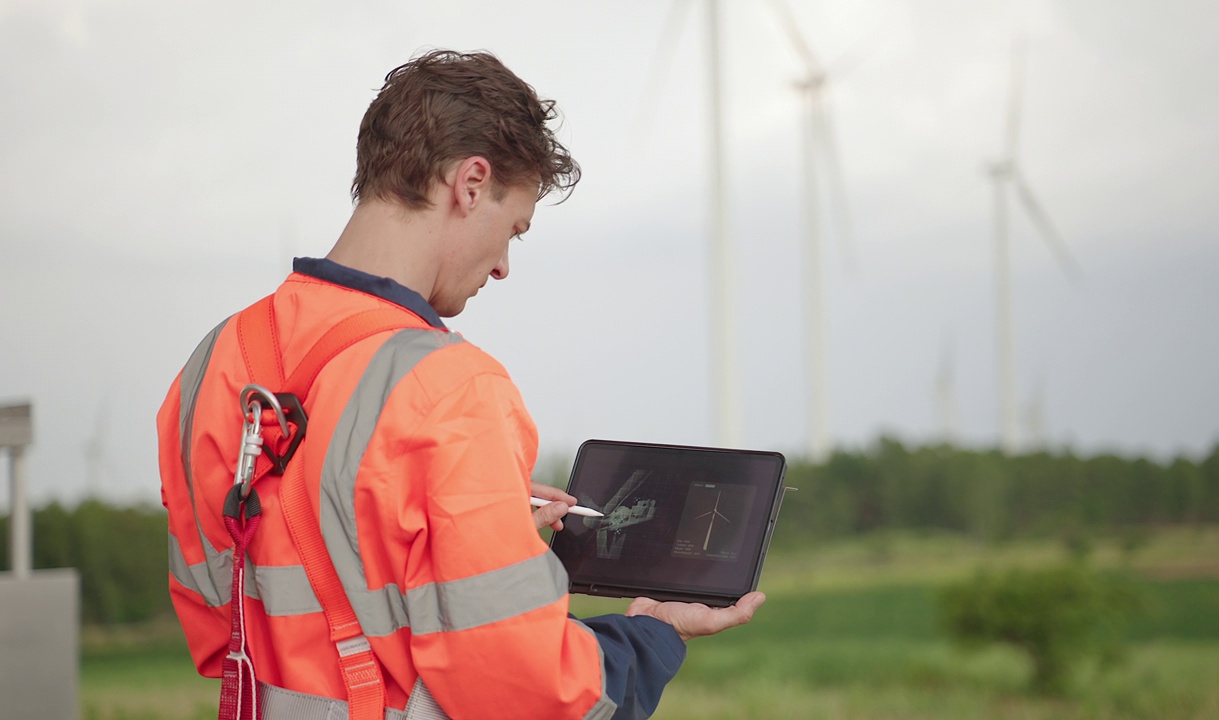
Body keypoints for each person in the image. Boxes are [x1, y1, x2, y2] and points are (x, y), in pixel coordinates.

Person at [158, 49, 765, 720]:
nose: (503, 266)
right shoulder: (449, 389)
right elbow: (530, 694)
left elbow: (224, 621)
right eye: (513, 229)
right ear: (471, 183)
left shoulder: (213, 363)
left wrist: (449, 539)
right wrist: (652, 632)